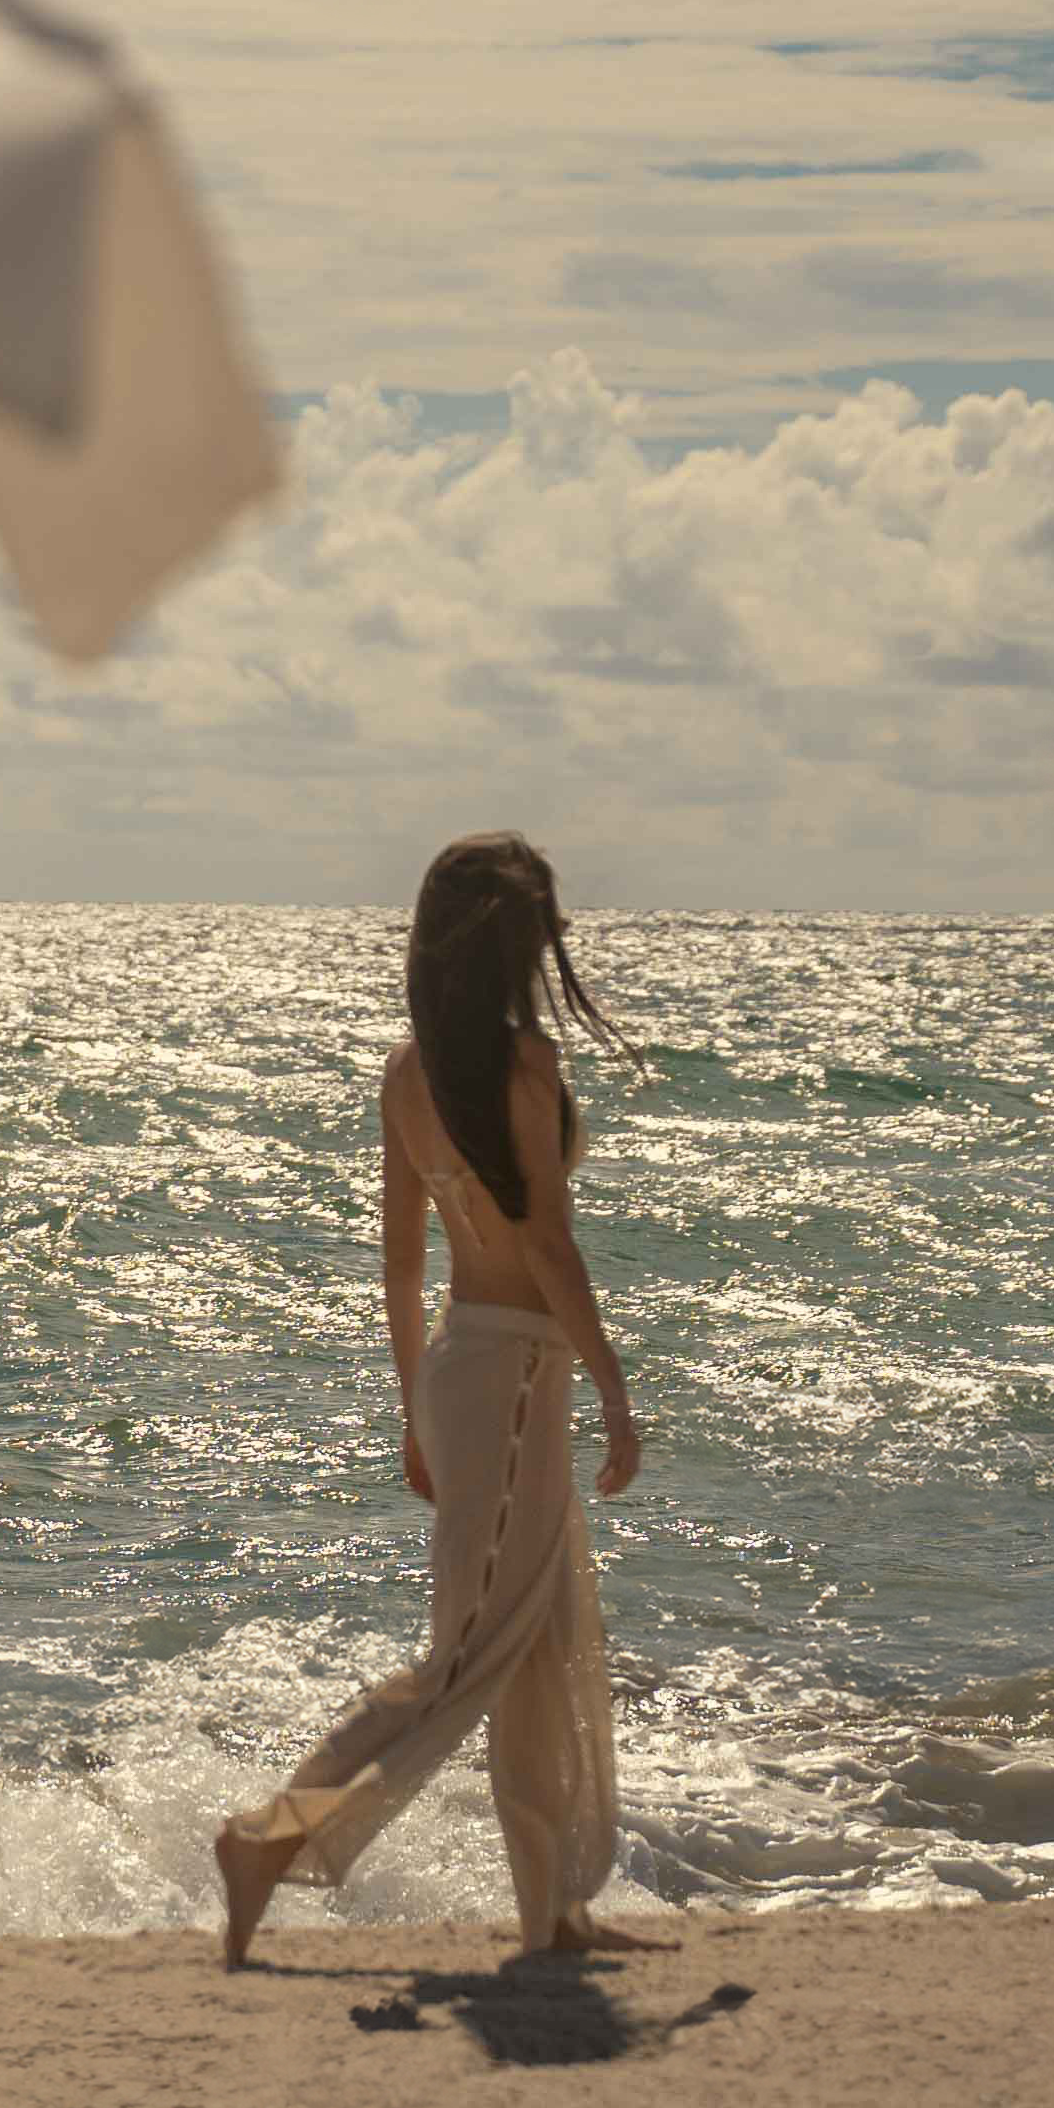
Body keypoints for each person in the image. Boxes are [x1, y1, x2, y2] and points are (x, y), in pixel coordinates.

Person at [216, 833, 650, 1972]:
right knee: (468, 1654)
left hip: (471, 1370)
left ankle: (552, 1913)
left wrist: (415, 1409)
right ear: (514, 945)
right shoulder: (522, 1067)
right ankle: (272, 1836)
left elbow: (403, 1268)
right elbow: (548, 1244)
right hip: (512, 1379)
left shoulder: (409, 1072)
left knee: (539, 1644)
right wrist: (613, 1387)